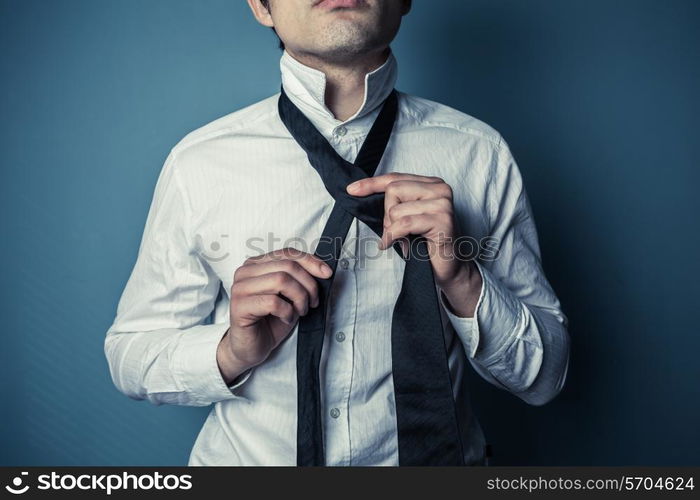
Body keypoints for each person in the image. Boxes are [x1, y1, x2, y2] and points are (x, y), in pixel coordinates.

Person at [104, 0, 570, 466]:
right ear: (262, 8)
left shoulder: (479, 154)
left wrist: (464, 281)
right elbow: (132, 357)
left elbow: (544, 377)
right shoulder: (200, 163)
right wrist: (230, 350)